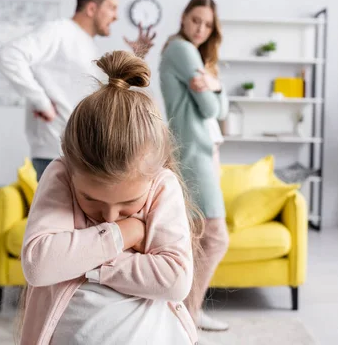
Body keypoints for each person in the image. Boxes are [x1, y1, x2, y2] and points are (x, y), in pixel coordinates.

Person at [17, 51, 203, 345]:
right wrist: (123, 233)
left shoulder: (161, 185)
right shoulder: (62, 174)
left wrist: (83, 263)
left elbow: (175, 279)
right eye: (90, 200)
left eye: (128, 206)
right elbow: (39, 265)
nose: (109, 217)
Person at [0, 0, 156, 180]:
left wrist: (137, 55)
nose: (115, 17)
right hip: (55, 154)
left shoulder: (88, 44)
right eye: (112, 8)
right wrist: (41, 102)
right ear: (91, 8)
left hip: (80, 153)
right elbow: (8, 55)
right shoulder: (59, 31)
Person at [159, 0, 230, 332]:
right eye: (195, 20)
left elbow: (223, 106)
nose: (200, 28)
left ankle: (182, 310)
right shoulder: (181, 50)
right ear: (184, 18)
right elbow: (213, 110)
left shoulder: (197, 56)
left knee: (196, 235)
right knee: (215, 235)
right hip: (193, 152)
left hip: (200, 151)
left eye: (207, 24)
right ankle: (190, 311)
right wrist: (216, 90)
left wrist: (214, 85)